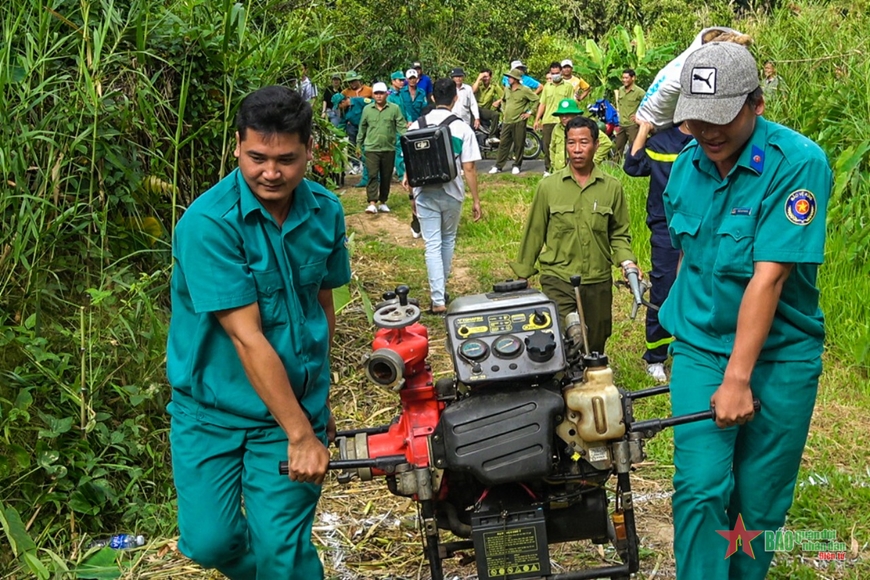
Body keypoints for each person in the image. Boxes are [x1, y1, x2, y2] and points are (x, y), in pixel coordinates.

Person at [660, 42, 831, 580]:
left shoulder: (798, 164)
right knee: (700, 488)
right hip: (700, 347)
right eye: (695, 119)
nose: (708, 132)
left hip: (781, 358)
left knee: (758, 504)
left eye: (721, 119)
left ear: (756, 103)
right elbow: (691, 258)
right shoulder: (686, 168)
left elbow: (771, 275)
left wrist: (739, 378)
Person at [166, 86, 351, 580]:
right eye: (257, 157)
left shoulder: (325, 211)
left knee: (282, 550)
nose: (271, 173)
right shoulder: (208, 224)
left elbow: (323, 304)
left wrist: (315, 405)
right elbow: (247, 338)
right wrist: (302, 434)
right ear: (237, 147)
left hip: (289, 409)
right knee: (209, 542)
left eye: (287, 159)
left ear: (310, 151)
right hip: (211, 412)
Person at [510, 115, 637, 354]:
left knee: (596, 341)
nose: (577, 150)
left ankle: (592, 385)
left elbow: (619, 233)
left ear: (596, 144)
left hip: (597, 280)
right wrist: (523, 274)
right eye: (571, 143)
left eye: (583, 142)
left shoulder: (611, 187)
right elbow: (534, 232)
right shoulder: (549, 187)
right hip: (558, 278)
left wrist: (627, 261)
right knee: (565, 338)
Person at [402, 78, 482, 314]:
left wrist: (409, 186)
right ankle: (440, 290)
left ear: (432, 98)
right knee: (447, 241)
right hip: (452, 192)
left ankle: (438, 299)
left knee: (432, 244)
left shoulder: (416, 125)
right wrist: (476, 200)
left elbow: (408, 159)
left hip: (424, 192)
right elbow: (469, 168)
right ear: (455, 98)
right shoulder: (462, 128)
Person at [622, 119, 693, 383]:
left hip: (703, 226)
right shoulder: (662, 143)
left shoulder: (710, 140)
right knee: (664, 289)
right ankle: (656, 357)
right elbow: (632, 166)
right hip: (666, 228)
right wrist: (644, 128)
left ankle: (694, 351)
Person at [358, 82, 406, 214]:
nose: (379, 96)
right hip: (371, 148)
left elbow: (401, 125)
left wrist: (406, 139)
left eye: (381, 93)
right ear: (373, 94)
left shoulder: (394, 109)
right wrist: (358, 144)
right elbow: (362, 127)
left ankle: (383, 201)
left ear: (386, 94)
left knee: (386, 176)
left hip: (388, 148)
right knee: (372, 175)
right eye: (376, 93)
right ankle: (372, 202)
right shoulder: (367, 109)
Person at [489, 67, 538, 175]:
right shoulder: (507, 89)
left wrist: (529, 113)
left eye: (511, 77)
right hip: (507, 121)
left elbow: (536, 100)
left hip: (519, 121)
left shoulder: (525, 90)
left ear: (516, 79)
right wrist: (504, 110)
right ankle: (498, 166)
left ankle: (517, 165)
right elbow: (504, 100)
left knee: (519, 143)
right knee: (503, 144)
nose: (509, 79)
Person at [534, 61, 576, 176]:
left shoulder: (568, 87)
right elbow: (542, 104)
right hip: (548, 120)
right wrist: (537, 119)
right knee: (547, 146)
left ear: (561, 72)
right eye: (553, 73)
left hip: (562, 121)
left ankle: (565, 168)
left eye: (557, 73)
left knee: (563, 145)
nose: (555, 75)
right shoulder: (547, 87)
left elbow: (571, 104)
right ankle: (548, 169)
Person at [549, 99, 613, 172]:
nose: (564, 117)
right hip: (559, 171)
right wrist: (554, 164)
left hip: (578, 172)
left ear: (575, 115)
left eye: (567, 114)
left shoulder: (585, 127)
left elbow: (606, 143)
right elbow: (552, 148)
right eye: (561, 115)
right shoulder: (557, 128)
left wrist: (593, 161)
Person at [613, 68, 644, 162]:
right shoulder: (621, 90)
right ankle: (615, 167)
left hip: (632, 125)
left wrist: (639, 117)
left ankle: (634, 167)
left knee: (634, 148)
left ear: (633, 78)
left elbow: (648, 104)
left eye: (626, 78)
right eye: (623, 78)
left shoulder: (639, 92)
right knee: (618, 147)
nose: (624, 80)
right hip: (622, 124)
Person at [387, 71, 408, 181]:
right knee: (399, 150)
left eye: (403, 80)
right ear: (393, 81)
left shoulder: (401, 93)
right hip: (395, 127)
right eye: (400, 80)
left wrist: (409, 120)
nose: (402, 82)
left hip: (403, 125)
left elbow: (405, 109)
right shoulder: (389, 96)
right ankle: (401, 174)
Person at [473, 68, 501, 143]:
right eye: (483, 77)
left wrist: (499, 101)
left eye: (486, 77)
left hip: (485, 111)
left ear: (490, 77)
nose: (484, 79)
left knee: (496, 115)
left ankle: (491, 136)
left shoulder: (494, 86)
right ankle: (492, 136)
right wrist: (478, 78)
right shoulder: (479, 84)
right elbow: (473, 91)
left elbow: (504, 96)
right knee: (495, 115)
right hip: (477, 109)